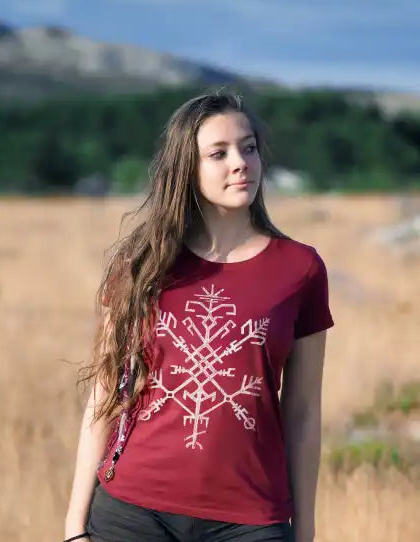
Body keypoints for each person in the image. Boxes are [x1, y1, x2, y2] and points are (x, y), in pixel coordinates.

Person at [62, 91, 334, 542]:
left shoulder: (300, 269)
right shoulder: (143, 263)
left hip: (249, 520)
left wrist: (303, 533)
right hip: (133, 513)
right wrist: (74, 527)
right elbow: (106, 392)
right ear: (187, 168)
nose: (240, 163)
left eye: (248, 147)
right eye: (218, 153)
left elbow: (303, 413)